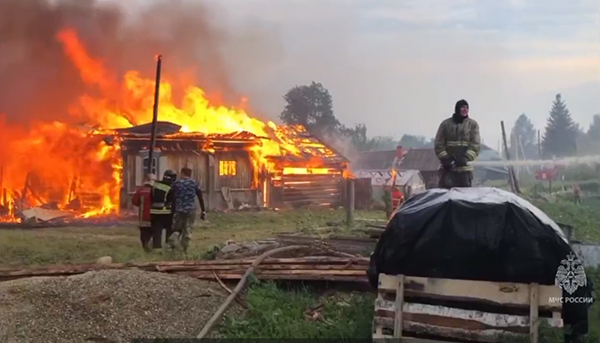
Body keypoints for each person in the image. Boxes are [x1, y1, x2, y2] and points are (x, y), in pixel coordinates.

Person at [434, 99, 481, 188]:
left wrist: (465, 158)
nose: (465, 109)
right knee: (445, 197)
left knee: (464, 198)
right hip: (448, 170)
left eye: (467, 108)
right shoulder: (445, 124)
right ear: (457, 109)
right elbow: (438, 143)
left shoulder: (473, 125)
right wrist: (446, 159)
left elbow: (475, 144)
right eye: (463, 107)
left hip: (465, 171)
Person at [169, 167, 206, 252]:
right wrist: (203, 210)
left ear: (182, 173)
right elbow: (200, 197)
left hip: (179, 210)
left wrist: (172, 207)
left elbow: (170, 196)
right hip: (191, 210)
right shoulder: (194, 183)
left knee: (176, 228)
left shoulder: (176, 183)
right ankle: (184, 248)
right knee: (187, 229)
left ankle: (173, 244)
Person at [149, 169, 177, 249]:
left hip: (154, 212)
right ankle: (169, 245)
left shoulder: (155, 185)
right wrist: (174, 212)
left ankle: (156, 247)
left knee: (157, 230)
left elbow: (151, 197)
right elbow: (172, 202)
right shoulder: (170, 188)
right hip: (165, 213)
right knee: (169, 229)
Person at [131, 173, 156, 252]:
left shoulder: (141, 191)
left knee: (144, 235)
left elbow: (134, 201)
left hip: (143, 218)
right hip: (154, 217)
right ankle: (151, 248)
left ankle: (146, 248)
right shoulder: (157, 191)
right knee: (153, 234)